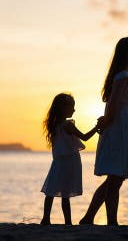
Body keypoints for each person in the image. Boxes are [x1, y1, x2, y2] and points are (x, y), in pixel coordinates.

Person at [80, 37, 128, 226]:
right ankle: (111, 222)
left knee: (115, 178)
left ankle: (89, 218)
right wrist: (106, 123)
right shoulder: (122, 77)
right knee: (115, 177)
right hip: (119, 126)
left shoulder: (122, 76)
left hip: (123, 124)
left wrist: (107, 121)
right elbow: (113, 105)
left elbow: (113, 105)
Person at [40, 93, 101, 225]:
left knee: (51, 190)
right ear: (63, 108)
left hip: (58, 162)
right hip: (68, 162)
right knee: (65, 194)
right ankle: (67, 222)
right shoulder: (67, 125)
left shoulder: (54, 125)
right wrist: (97, 128)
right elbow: (84, 137)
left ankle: (46, 219)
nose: (74, 110)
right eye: (72, 106)